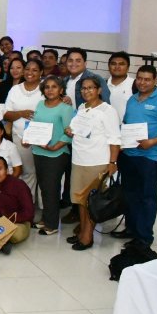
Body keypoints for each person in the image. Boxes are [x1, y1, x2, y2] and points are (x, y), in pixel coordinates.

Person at [115, 66, 157, 249]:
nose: (142, 82)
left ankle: (144, 237)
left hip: (149, 157)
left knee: (147, 198)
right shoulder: (132, 100)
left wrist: (153, 141)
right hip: (128, 155)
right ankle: (131, 229)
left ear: (155, 81)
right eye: (139, 78)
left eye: (147, 79)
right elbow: (126, 124)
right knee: (129, 194)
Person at [63, 76, 121, 250]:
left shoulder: (107, 111)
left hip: (96, 161)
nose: (86, 91)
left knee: (91, 201)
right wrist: (70, 131)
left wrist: (112, 162)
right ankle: (82, 232)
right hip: (79, 159)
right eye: (83, 88)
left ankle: (87, 237)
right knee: (80, 200)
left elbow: (114, 139)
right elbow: (79, 130)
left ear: (99, 90)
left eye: (90, 88)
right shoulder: (82, 108)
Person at [30, 76, 73, 235]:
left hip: (57, 154)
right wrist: (29, 139)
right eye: (47, 87)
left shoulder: (66, 108)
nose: (50, 90)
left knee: (51, 188)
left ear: (61, 90)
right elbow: (35, 126)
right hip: (38, 151)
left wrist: (56, 146)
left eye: (54, 87)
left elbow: (70, 132)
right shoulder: (40, 104)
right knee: (43, 187)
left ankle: (52, 224)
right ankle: (45, 219)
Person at [3, 59, 44, 201]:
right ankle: (26, 201)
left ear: (41, 73)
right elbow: (6, 114)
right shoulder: (15, 90)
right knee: (25, 171)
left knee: (38, 173)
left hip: (42, 139)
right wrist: (21, 113)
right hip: (19, 137)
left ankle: (35, 203)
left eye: (34, 70)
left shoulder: (46, 89)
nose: (30, 72)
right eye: (27, 69)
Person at [106, 51, 135, 122]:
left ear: (128, 68)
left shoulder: (135, 84)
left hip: (127, 129)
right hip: (105, 129)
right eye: (113, 64)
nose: (117, 67)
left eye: (121, 64)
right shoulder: (102, 84)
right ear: (108, 66)